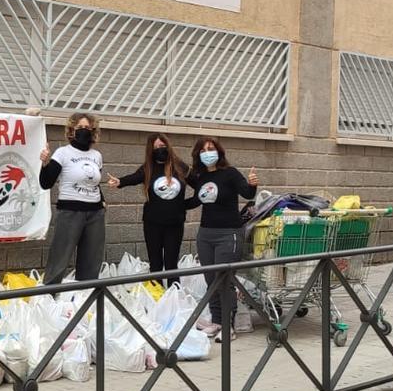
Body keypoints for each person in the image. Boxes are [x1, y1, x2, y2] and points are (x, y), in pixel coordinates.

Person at [185, 137, 259, 341]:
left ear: (219, 152)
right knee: (211, 280)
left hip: (229, 234)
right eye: (203, 150)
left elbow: (246, 192)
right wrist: (172, 205)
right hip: (205, 234)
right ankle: (217, 321)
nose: (208, 152)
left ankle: (229, 326)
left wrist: (252, 184)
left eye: (211, 149)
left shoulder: (230, 173)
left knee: (224, 280)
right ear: (198, 155)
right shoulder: (200, 177)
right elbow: (195, 201)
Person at [107, 133, 191, 287]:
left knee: (172, 264)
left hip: (175, 224)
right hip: (153, 223)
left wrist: (186, 205)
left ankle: (174, 295)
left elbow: (199, 185)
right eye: (157, 147)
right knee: (155, 263)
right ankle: (157, 297)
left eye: (163, 146)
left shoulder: (180, 166)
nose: (161, 149)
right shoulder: (148, 168)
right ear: (151, 150)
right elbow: (134, 178)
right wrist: (120, 182)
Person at [39, 113, 106, 285]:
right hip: (70, 212)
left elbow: (94, 182)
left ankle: (86, 296)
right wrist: (44, 164)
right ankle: (49, 294)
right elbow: (46, 183)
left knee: (92, 259)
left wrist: (102, 202)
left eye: (88, 128)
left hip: (95, 213)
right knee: (60, 256)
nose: (85, 131)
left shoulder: (96, 156)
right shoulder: (63, 153)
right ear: (71, 131)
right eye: (80, 128)